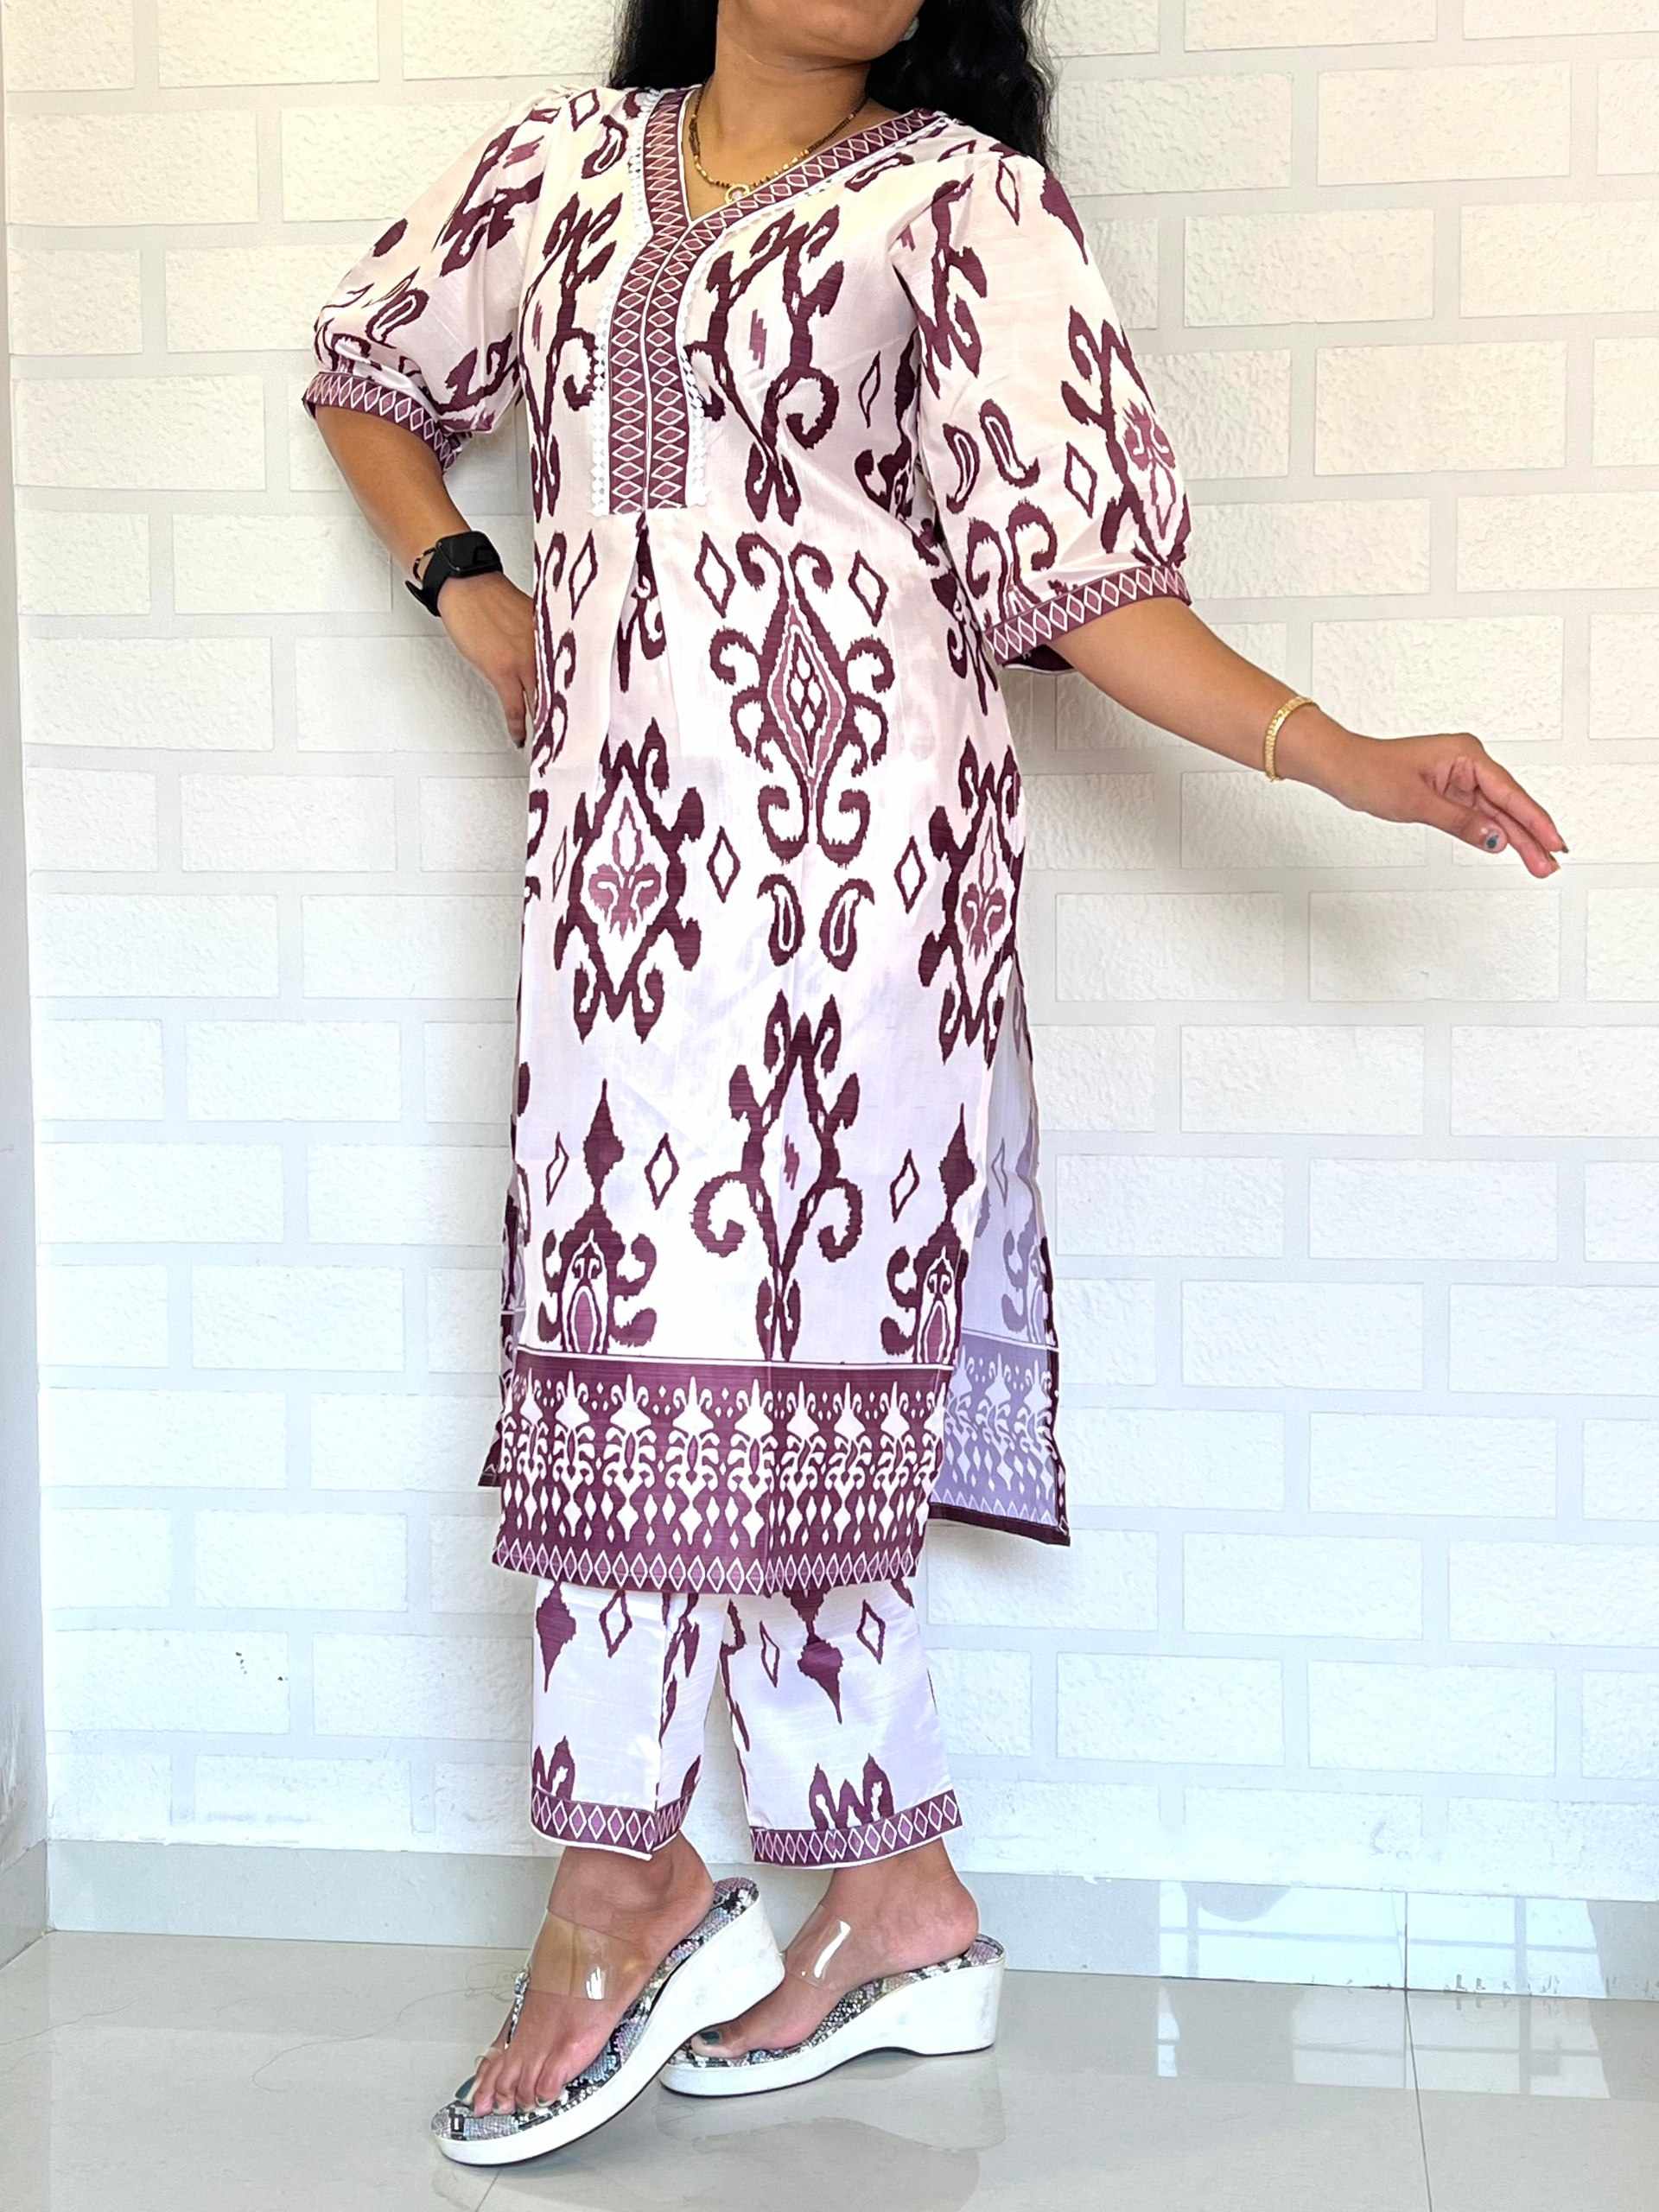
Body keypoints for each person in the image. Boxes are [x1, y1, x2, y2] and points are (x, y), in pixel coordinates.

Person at [303, 0, 1567, 2167]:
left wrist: (1345, 754)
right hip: (617, 889)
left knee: (776, 1350)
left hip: (860, 887)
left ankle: (630, 1878)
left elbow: (1094, 591)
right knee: (636, 1344)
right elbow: (365, 372)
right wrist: (468, 581)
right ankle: (895, 1899)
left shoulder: (965, 205)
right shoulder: (560, 168)